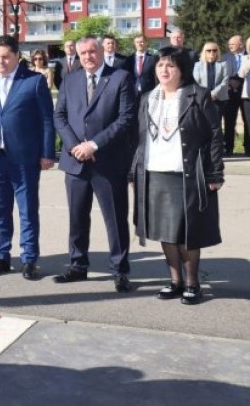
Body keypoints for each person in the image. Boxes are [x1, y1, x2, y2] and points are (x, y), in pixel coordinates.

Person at [130, 47, 224, 305]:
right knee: (165, 233)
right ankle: (175, 281)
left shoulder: (198, 96)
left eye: (170, 65)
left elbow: (214, 135)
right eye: (160, 65)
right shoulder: (148, 97)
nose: (164, 70)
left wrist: (215, 172)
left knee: (187, 232)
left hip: (187, 175)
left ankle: (193, 283)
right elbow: (139, 139)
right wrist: (134, 171)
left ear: (182, 69)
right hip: (154, 173)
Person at [53, 35, 136, 293]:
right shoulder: (70, 79)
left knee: (115, 219)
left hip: (108, 162)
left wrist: (94, 145)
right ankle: (77, 265)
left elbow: (126, 119)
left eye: (92, 51)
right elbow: (60, 116)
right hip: (75, 161)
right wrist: (75, 147)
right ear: (77, 56)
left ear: (101, 51)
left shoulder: (121, 78)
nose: (88, 57)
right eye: (83, 53)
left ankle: (120, 270)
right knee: (77, 218)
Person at [0, 35, 55, 280]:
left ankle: (29, 259)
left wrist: (47, 153)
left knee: (27, 210)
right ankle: (2, 256)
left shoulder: (34, 81)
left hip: (25, 157)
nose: (1, 61)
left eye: (5, 57)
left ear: (17, 56)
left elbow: (46, 120)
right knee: (0, 210)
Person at [192, 43, 229, 134]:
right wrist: (205, 94)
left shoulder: (223, 64)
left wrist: (213, 93)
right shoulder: (197, 65)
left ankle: (216, 147)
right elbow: (196, 82)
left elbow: (225, 81)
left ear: (217, 52)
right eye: (209, 50)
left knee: (216, 126)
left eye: (214, 50)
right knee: (203, 125)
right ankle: (205, 147)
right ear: (204, 52)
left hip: (218, 99)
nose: (212, 52)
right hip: (202, 99)